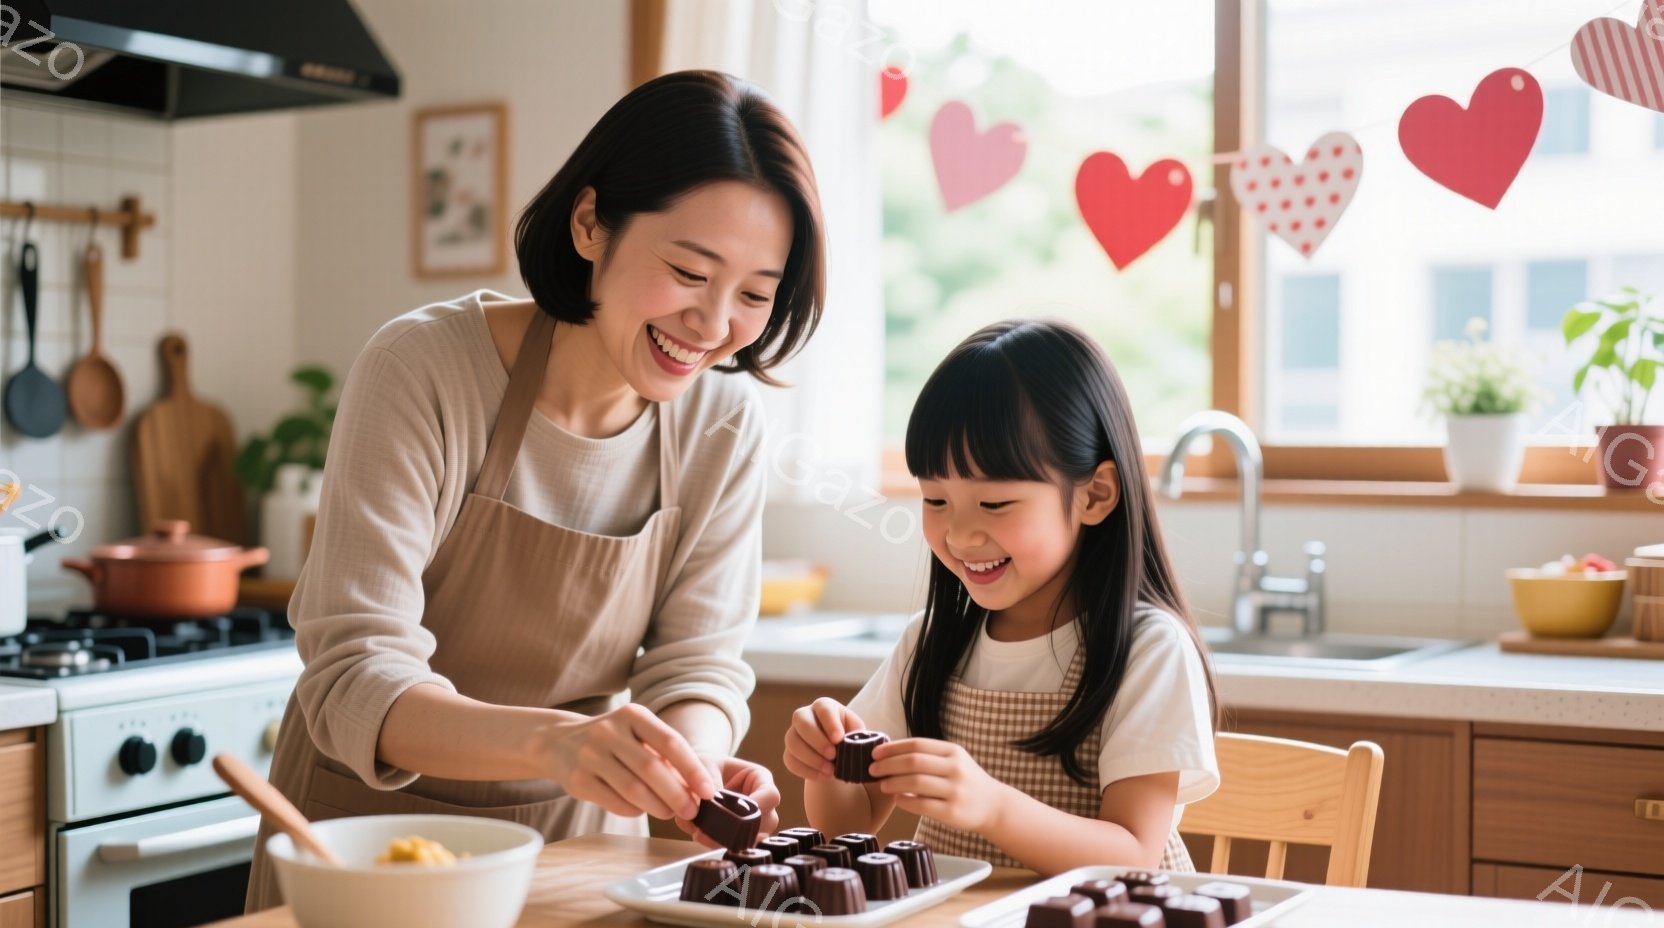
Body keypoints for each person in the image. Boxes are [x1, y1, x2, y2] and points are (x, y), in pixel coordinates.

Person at [247, 70, 826, 909]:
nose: (713, 324)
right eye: (690, 271)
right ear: (591, 223)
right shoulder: (423, 370)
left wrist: (691, 767)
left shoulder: (721, 425)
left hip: (583, 865)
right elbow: (354, 669)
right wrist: (558, 743)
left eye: (754, 295)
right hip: (371, 853)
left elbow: (696, 663)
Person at [784, 320, 1219, 875]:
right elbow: (850, 826)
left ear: (1096, 495)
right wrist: (824, 764)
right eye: (936, 500)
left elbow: (1134, 855)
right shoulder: (932, 639)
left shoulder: (1149, 650)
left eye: (994, 505)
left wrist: (991, 806)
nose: (961, 536)